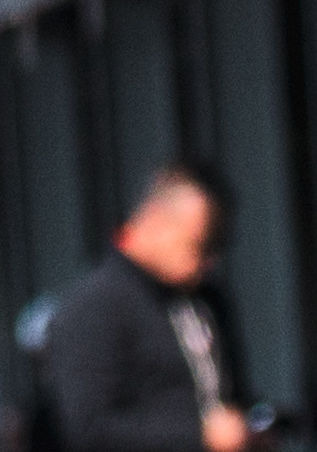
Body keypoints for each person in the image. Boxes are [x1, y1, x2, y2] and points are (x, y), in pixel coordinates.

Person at [39, 165, 256, 452]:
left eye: (216, 247)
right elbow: (90, 430)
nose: (208, 262)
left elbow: (228, 394)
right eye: (199, 245)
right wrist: (198, 435)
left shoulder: (208, 296)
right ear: (156, 221)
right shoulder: (95, 306)